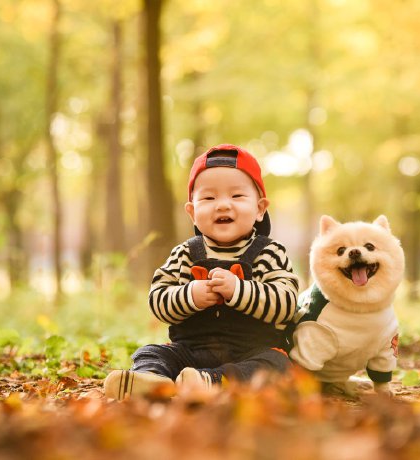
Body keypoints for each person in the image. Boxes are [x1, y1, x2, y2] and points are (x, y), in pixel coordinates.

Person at [104, 144, 299, 399]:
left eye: (237, 196)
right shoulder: (185, 254)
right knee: (151, 352)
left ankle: (211, 383)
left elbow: (287, 302)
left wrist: (239, 291)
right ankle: (154, 381)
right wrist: (190, 295)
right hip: (191, 352)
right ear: (193, 212)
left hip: (250, 351)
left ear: (260, 209)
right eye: (209, 198)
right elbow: (158, 300)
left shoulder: (269, 252)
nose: (222, 205)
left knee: (277, 365)